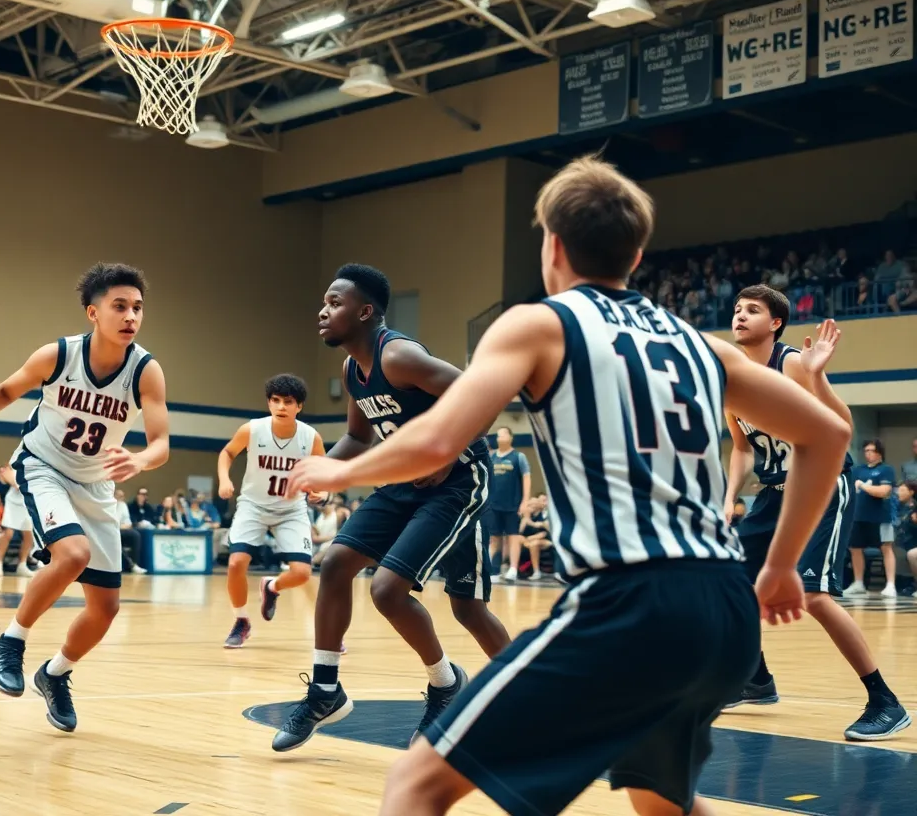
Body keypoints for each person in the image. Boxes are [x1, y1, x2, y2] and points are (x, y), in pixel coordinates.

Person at [286, 156, 852, 816]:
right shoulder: (705, 346)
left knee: (415, 786)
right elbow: (829, 437)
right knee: (661, 801)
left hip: (628, 599)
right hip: (723, 608)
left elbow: (440, 437)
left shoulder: (539, 324)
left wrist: (342, 470)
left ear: (552, 245)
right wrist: (781, 565)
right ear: (636, 253)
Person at [270, 263, 512, 753]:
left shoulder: (398, 356)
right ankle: (325, 690)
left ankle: (499, 695)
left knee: (409, 595)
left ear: (365, 312)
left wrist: (445, 451)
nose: (323, 309)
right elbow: (360, 438)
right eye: (324, 300)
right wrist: (321, 471)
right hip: (406, 481)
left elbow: (484, 394)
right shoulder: (350, 370)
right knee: (335, 562)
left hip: (458, 481)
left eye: (334, 303)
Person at [0, 262, 169, 733]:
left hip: (96, 484)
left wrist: (140, 460)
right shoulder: (59, 355)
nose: (131, 316)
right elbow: (6, 390)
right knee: (73, 553)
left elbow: (161, 443)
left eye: (137, 308)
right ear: (92, 313)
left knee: (106, 609)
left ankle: (54, 674)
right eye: (119, 306)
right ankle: (12, 640)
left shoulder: (145, 369)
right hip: (43, 467)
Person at [723, 286, 908, 740]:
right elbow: (743, 448)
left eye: (752, 310)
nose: (740, 316)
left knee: (813, 595)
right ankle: (756, 679)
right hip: (771, 495)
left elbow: (842, 424)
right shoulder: (732, 377)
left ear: (776, 323)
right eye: (736, 310)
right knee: (732, 586)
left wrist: (816, 377)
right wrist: (729, 497)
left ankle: (886, 701)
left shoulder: (789, 363)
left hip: (822, 484)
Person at [217, 373, 326, 648]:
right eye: (275, 401)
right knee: (236, 563)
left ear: (299, 406)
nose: (281, 407)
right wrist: (224, 479)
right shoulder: (252, 429)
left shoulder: (310, 437)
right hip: (253, 506)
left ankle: (272, 587)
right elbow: (228, 453)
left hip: (291, 510)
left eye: (288, 402)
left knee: (302, 573)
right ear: (268, 402)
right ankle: (241, 621)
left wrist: (322, 491)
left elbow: (324, 472)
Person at [847, 439, 898, 596]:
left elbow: (884, 491)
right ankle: (858, 583)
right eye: (866, 451)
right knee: (855, 548)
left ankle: (890, 585)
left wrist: (863, 486)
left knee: (886, 548)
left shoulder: (886, 470)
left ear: (879, 452)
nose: (868, 454)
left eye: (872, 450)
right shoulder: (857, 470)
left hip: (880, 517)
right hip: (858, 516)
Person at [486, 426, 531, 581]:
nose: (500, 437)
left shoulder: (519, 457)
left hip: (513, 504)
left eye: (503, 434)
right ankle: (493, 570)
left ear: (511, 437)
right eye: (498, 435)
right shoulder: (491, 457)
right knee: (494, 538)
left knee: (513, 537)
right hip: (494, 504)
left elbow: (526, 478)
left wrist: (525, 501)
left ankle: (512, 569)